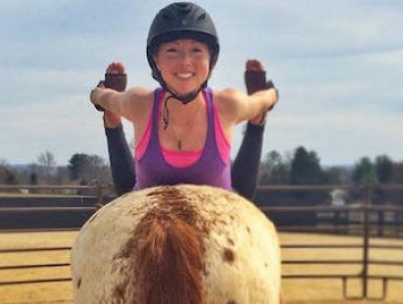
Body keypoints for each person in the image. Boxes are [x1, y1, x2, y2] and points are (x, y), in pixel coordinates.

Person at [90, 1, 278, 200]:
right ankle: (112, 120)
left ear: (211, 58)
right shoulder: (139, 103)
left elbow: (262, 100)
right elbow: (104, 97)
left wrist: (270, 95)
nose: (185, 62)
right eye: (172, 51)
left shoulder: (229, 104)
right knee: (125, 197)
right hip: (147, 208)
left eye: (196, 50)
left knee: (242, 198)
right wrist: (100, 95)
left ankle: (258, 122)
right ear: (156, 59)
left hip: (219, 206)